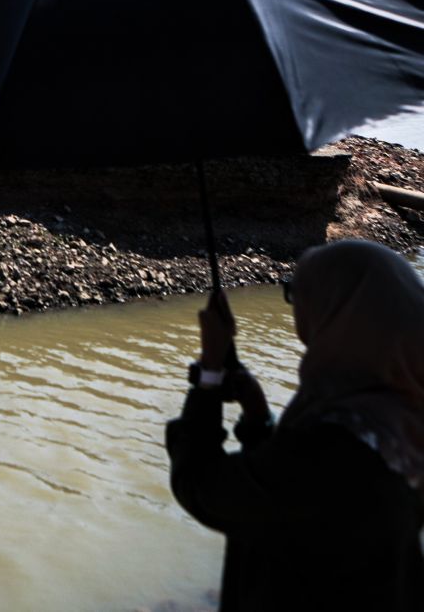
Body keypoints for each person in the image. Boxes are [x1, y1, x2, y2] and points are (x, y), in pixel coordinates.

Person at [167, 239, 424, 610]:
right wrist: (257, 417)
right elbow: (287, 501)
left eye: (297, 292)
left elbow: (205, 489)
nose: (296, 305)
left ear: (340, 310)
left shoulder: (335, 447)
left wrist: (209, 374)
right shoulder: (398, 424)